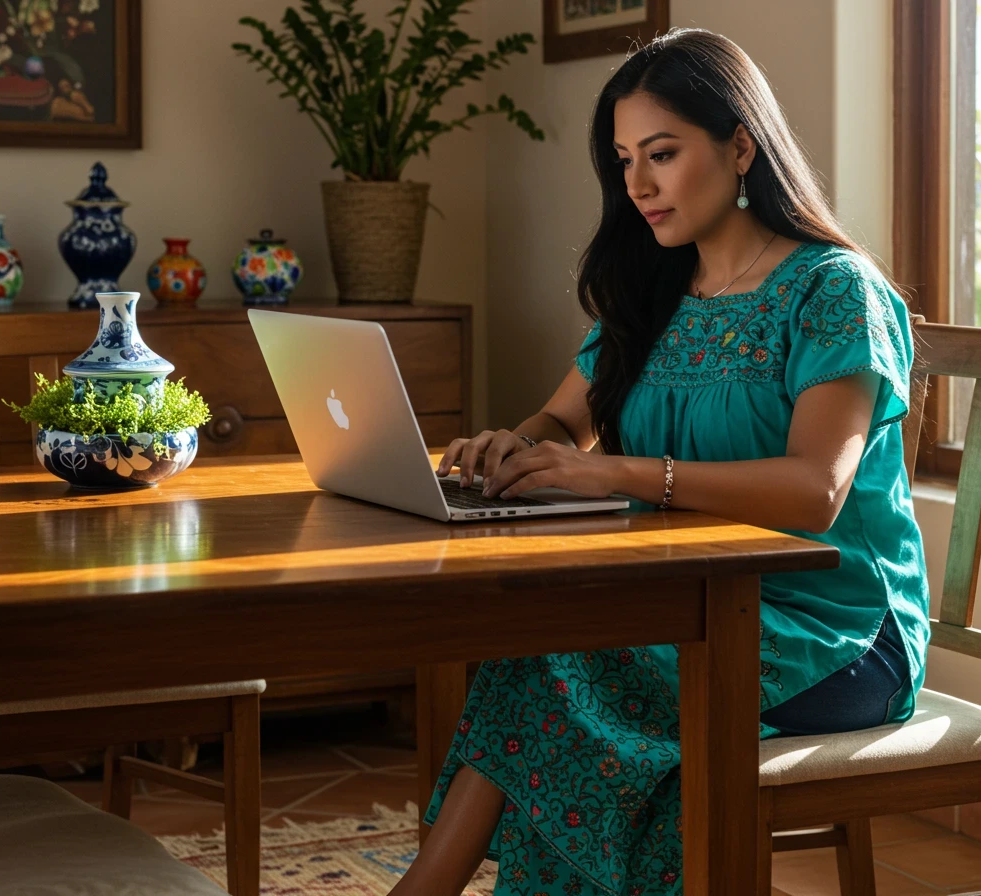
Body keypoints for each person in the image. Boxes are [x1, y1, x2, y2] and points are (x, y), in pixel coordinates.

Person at [390, 27, 930, 896]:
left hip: (836, 635)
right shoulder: (657, 290)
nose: (637, 184)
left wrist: (620, 474)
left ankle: (425, 889)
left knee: (558, 667)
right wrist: (519, 445)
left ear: (741, 145)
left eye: (663, 154)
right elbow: (567, 421)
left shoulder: (835, 290)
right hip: (688, 605)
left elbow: (817, 490)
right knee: (542, 651)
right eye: (624, 159)